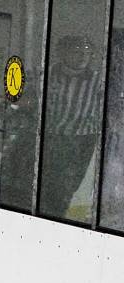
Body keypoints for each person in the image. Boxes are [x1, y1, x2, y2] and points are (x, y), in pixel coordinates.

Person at [40, 35, 104, 220]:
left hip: (83, 139)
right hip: (52, 136)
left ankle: (55, 215)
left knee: (69, 184)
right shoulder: (45, 74)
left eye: (87, 52)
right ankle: (51, 216)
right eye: (76, 51)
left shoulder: (97, 80)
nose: (83, 56)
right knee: (53, 185)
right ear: (62, 53)